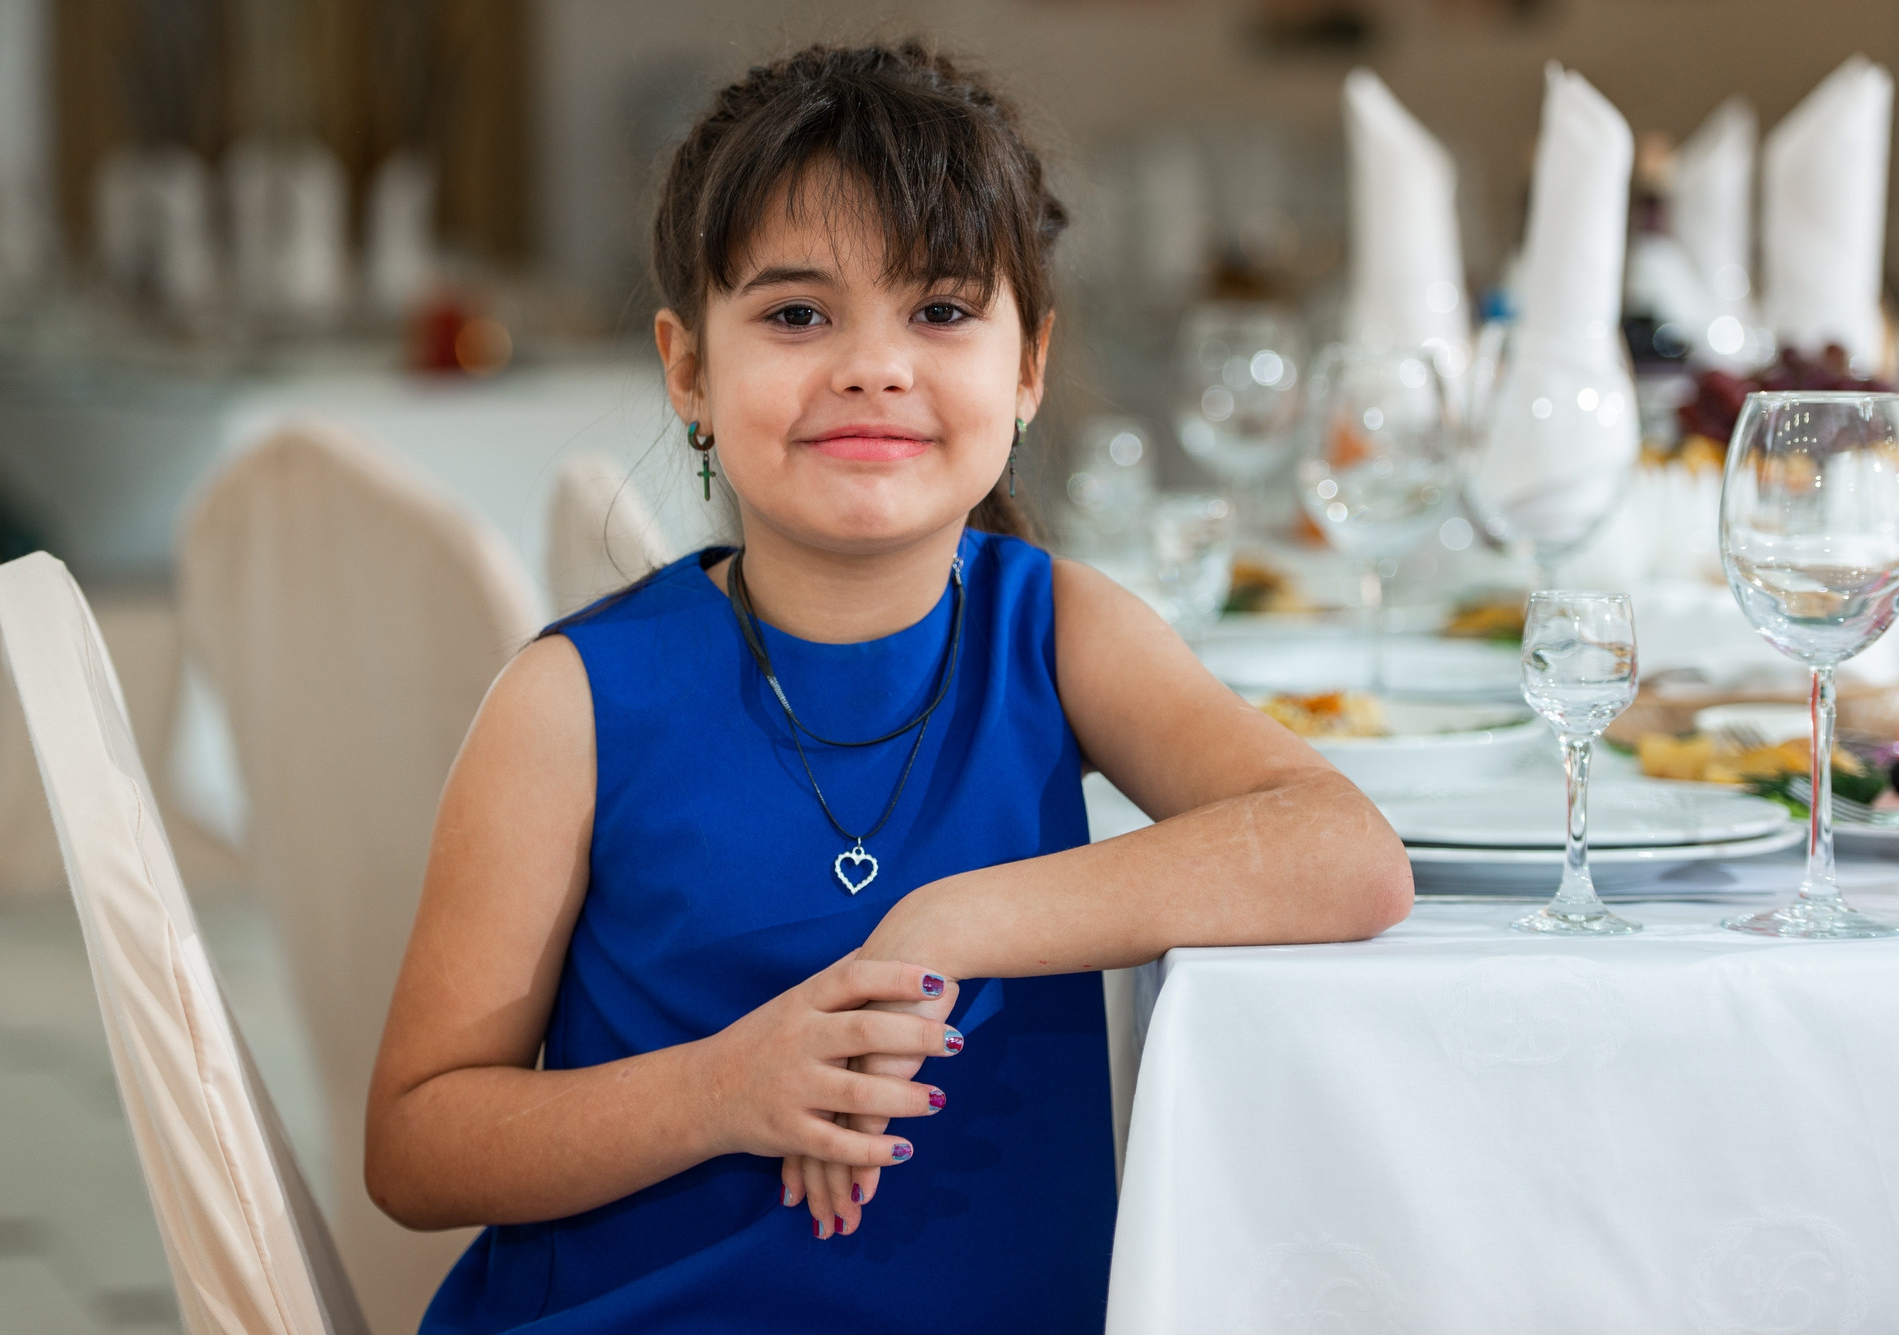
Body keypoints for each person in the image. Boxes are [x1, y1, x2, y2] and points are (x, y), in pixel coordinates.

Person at [366, 40, 1412, 1334]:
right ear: (688, 366)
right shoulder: (576, 699)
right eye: (798, 314)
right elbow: (418, 1146)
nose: (874, 365)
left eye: (943, 310)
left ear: (1029, 367)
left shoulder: (1058, 628)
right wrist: (724, 1089)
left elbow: (1346, 853)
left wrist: (942, 926)